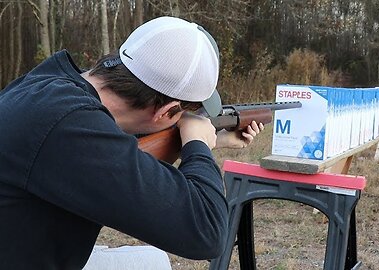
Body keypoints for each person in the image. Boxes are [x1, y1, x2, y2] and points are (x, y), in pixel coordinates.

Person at [0, 16, 264, 269]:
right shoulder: (68, 124)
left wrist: (208, 139)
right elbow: (207, 231)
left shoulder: (50, 87)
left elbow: (115, 153)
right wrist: (198, 146)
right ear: (166, 111)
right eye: (184, 114)